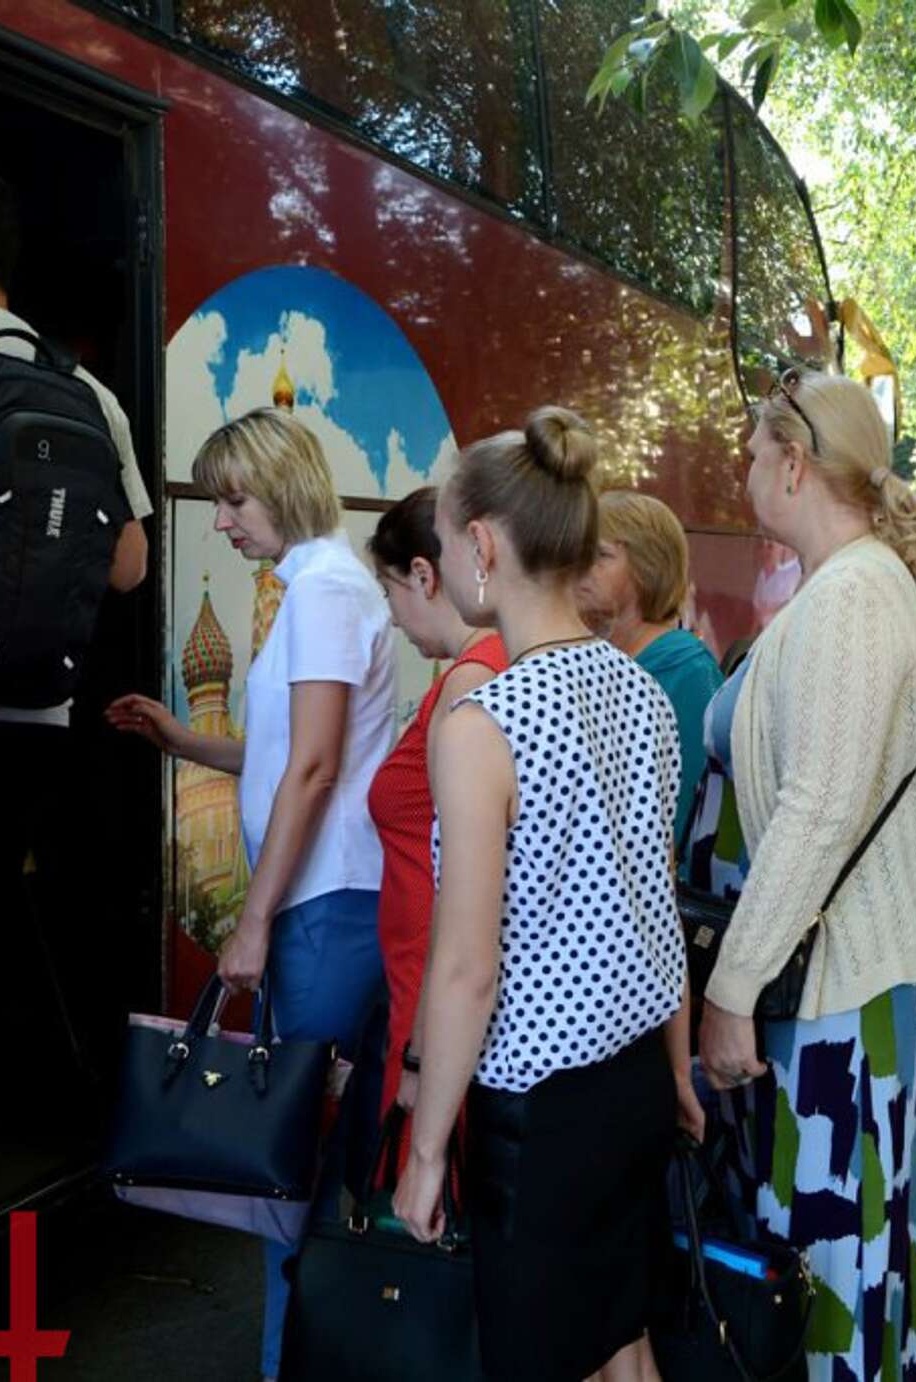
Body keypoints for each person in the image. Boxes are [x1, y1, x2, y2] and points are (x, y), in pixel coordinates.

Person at [389, 407, 698, 1382]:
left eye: (445, 540)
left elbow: (466, 968)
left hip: (541, 1113)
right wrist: (677, 1073)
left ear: (481, 545)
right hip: (634, 1080)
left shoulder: (482, 723)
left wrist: (424, 1152)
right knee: (623, 1344)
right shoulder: (641, 688)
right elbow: (654, 907)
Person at [104, 409, 393, 1382]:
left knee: (292, 1171)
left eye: (233, 500)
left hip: (323, 907)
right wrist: (185, 740)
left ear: (282, 486)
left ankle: (293, 1363)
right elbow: (287, 755)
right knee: (304, 1166)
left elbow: (313, 770)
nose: (221, 521)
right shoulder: (316, 587)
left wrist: (254, 920)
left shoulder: (323, 592)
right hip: (326, 903)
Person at [695, 367, 916, 1380]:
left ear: (796, 463)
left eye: (754, 454)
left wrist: (732, 987)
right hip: (843, 978)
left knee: (829, 1251)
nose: (745, 474)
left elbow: (816, 810)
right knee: (855, 1242)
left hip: (837, 989)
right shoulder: (848, 585)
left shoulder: (850, 595)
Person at [0, 166, 154, 1202]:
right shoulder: (86, 390)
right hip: (39, 705)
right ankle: (8, 1098)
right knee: (0, 902)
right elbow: (130, 568)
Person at [362, 487, 508, 1125]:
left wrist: (422, 1051)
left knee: (424, 1151)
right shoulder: (482, 665)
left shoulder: (469, 680)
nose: (393, 617)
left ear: (423, 576)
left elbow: (459, 877)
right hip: (426, 966)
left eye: (389, 590)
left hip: (432, 968)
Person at [578, 489, 724, 846]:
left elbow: (689, 810)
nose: (581, 569)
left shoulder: (687, 668)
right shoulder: (595, 656)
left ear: (648, 566)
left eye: (600, 555)